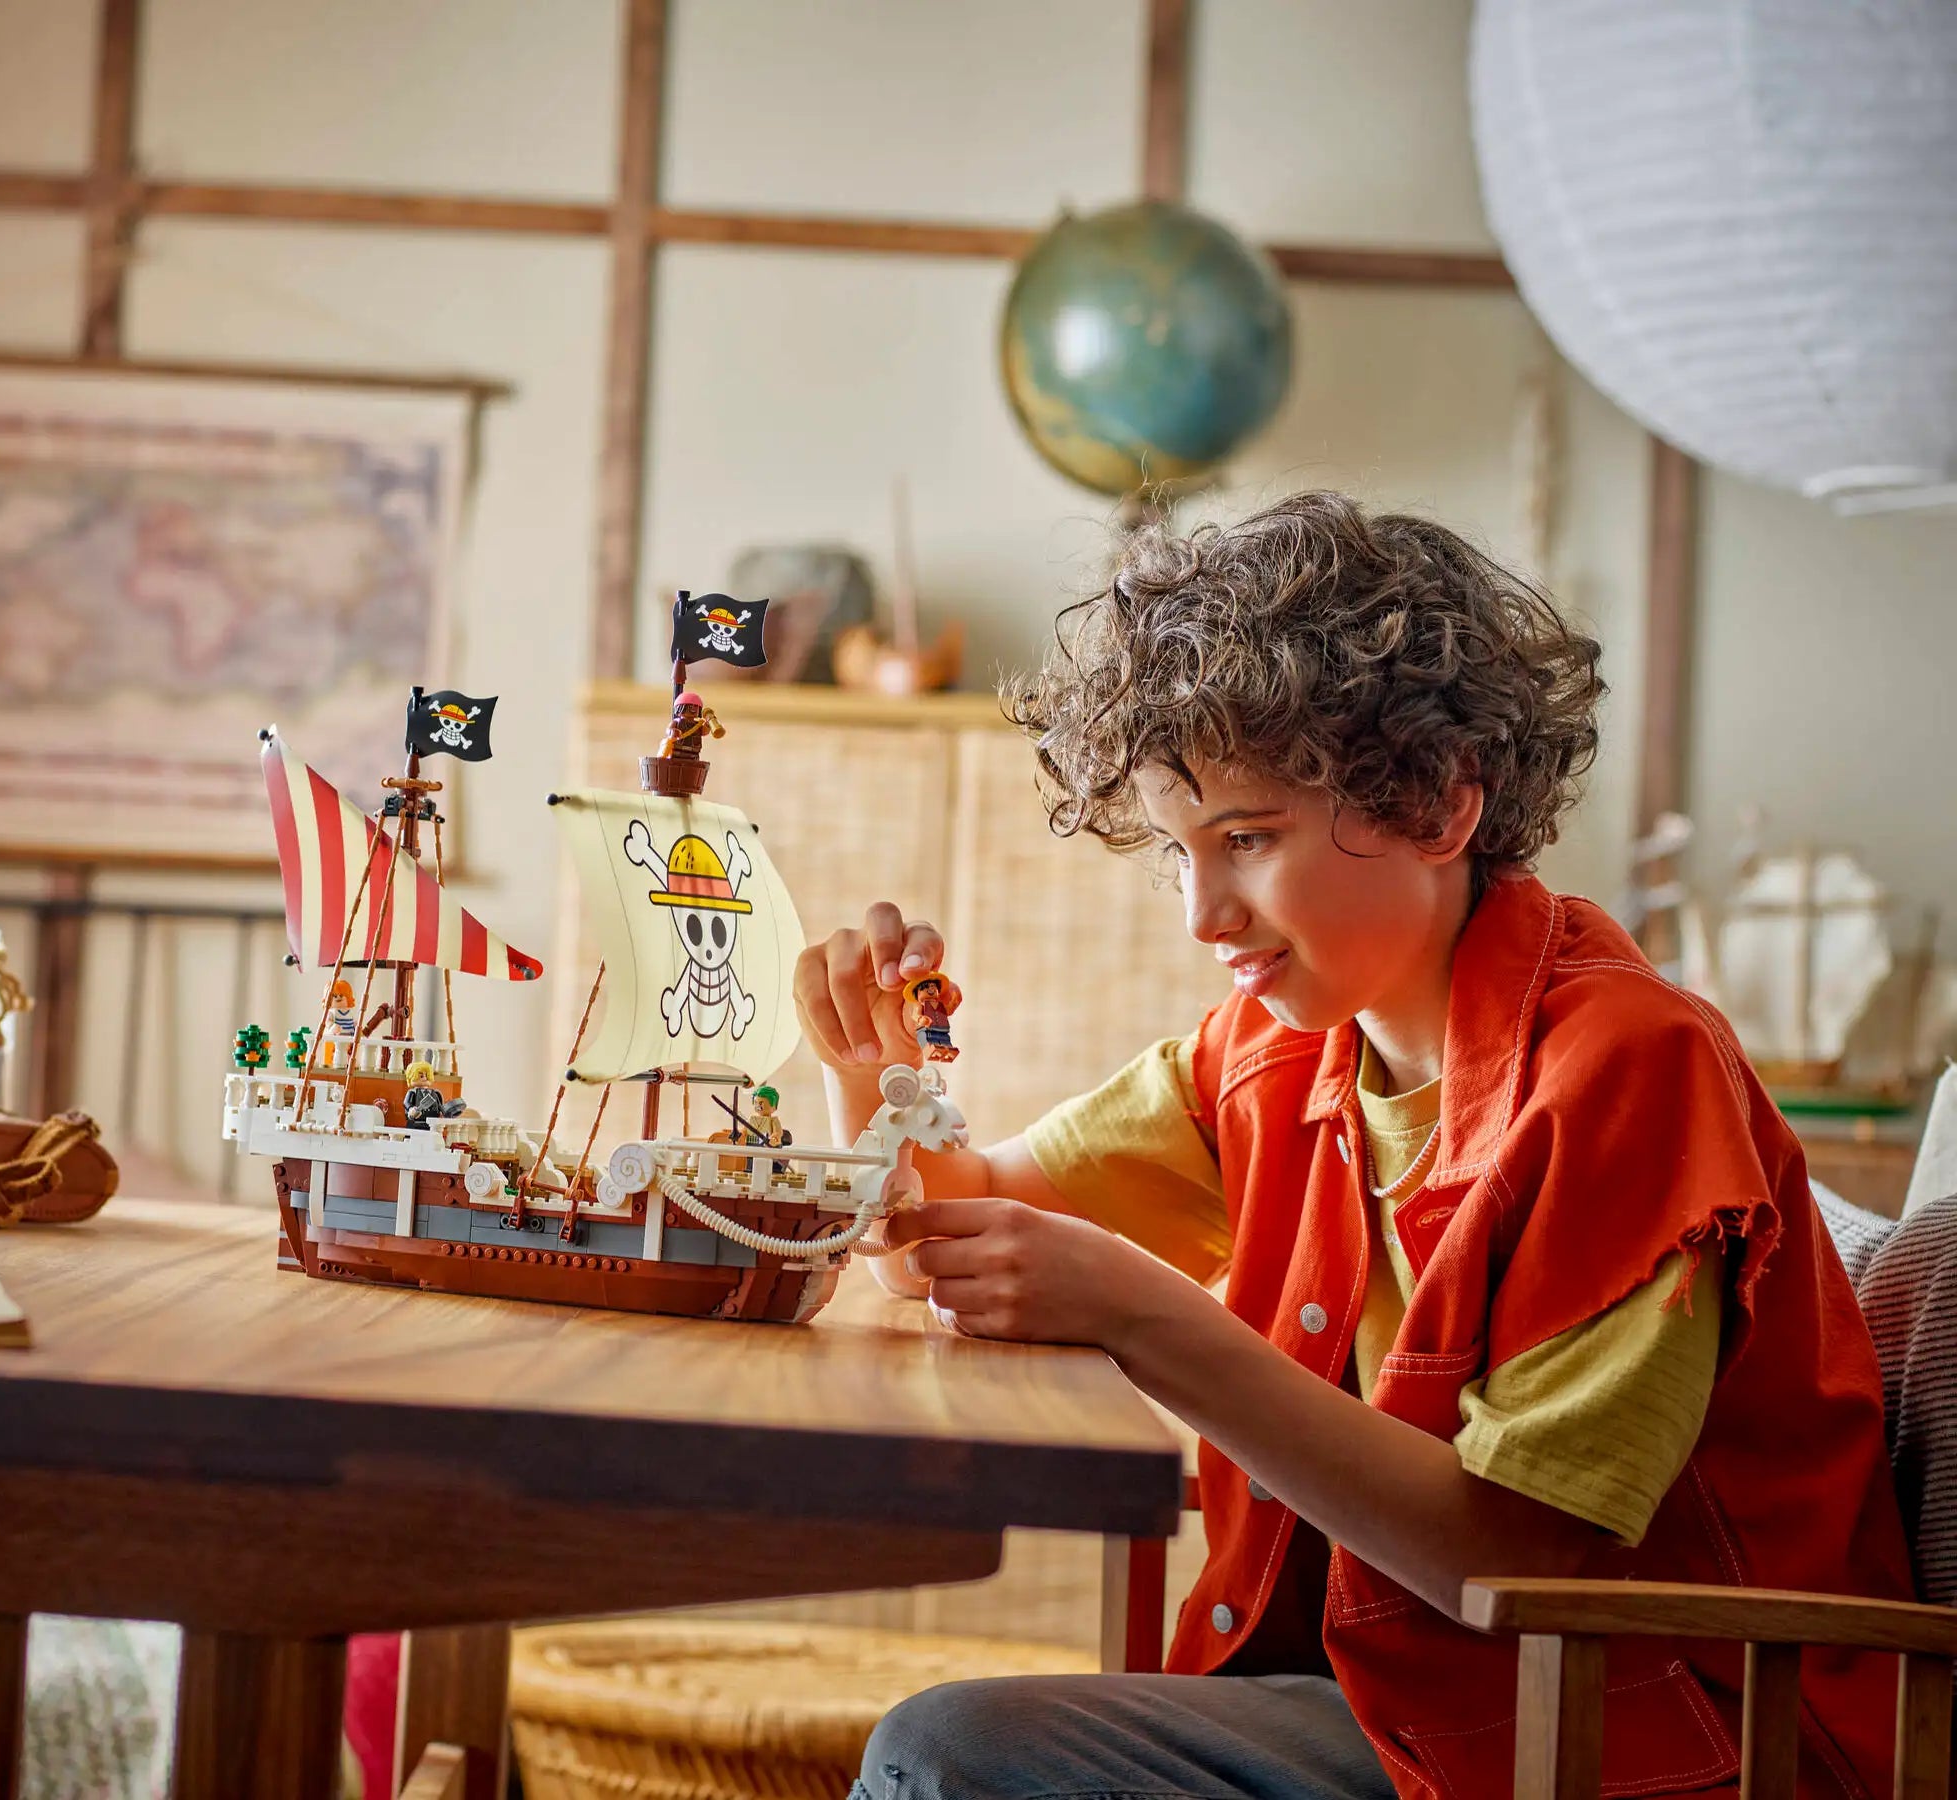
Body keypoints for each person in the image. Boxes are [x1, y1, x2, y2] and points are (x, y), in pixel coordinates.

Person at [792, 493, 1911, 1799]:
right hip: (1417, 1709)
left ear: (1438, 804)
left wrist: (1154, 1323)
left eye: (1249, 841)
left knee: (949, 1754)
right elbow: (945, 1241)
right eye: (1180, 852)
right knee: (950, 1745)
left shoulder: (1630, 1070)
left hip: (1657, 1744)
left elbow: (1524, 1570)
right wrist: (874, 1081)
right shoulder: (1269, 1055)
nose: (1204, 913)